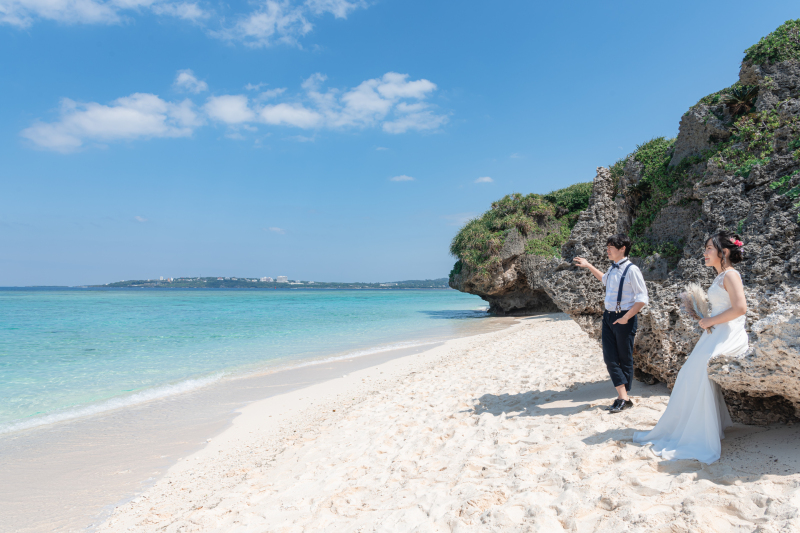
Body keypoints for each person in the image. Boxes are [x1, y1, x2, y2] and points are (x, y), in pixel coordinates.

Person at [632, 231, 748, 464]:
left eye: (708, 249)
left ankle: (699, 435)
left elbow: (740, 309)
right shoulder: (720, 276)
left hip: (729, 334)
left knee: (698, 373)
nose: (704, 253)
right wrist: (706, 317)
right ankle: (694, 428)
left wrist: (709, 321)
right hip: (715, 333)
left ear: (723, 252)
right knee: (688, 373)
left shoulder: (731, 275)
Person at [573, 233, 649, 413]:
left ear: (622, 249)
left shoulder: (632, 270)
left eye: (611, 247)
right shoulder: (613, 268)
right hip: (608, 317)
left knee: (624, 358)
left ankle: (624, 398)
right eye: (607, 246)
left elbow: (642, 298)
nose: (607, 250)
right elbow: (604, 279)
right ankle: (623, 397)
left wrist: (626, 317)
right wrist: (589, 265)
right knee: (609, 358)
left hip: (624, 317)